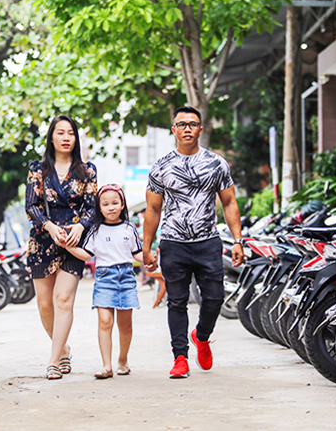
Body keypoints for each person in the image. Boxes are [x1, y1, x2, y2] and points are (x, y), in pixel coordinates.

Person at [142, 106, 244, 379]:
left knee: (214, 298)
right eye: (181, 124)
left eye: (193, 124)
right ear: (173, 130)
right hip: (173, 243)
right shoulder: (161, 167)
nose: (187, 128)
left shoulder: (216, 163)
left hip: (208, 241)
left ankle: (202, 335)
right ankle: (180, 358)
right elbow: (153, 210)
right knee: (177, 301)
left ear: (200, 129)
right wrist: (147, 246)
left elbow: (229, 202)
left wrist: (238, 240)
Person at [25, 114, 97, 380]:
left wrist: (80, 227)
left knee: (63, 300)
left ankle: (53, 362)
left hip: (73, 243)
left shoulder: (88, 170)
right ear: (51, 137)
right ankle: (63, 350)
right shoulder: (37, 169)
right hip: (43, 241)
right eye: (61, 132)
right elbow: (30, 206)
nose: (66, 138)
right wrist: (50, 227)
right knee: (45, 305)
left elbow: (92, 207)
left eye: (71, 133)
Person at [66, 184, 152, 379]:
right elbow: (86, 254)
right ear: (99, 207)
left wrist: (149, 257)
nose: (111, 207)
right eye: (105, 204)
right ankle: (106, 366)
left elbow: (137, 253)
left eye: (115, 203)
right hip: (104, 278)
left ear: (122, 205)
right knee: (105, 322)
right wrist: (68, 246)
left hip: (126, 277)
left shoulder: (129, 228)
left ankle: (123, 360)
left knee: (125, 324)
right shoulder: (95, 230)